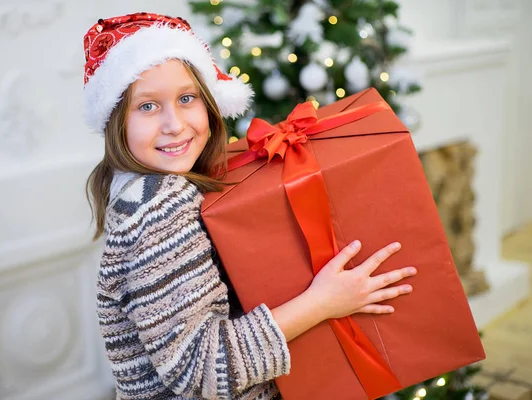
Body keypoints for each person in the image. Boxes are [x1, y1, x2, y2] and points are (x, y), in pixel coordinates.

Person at [83, 12, 417, 400]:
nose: (174, 124)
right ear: (115, 123)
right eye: (148, 107)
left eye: (186, 98)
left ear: (208, 103)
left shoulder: (145, 193)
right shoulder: (160, 204)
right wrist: (323, 302)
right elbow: (202, 369)